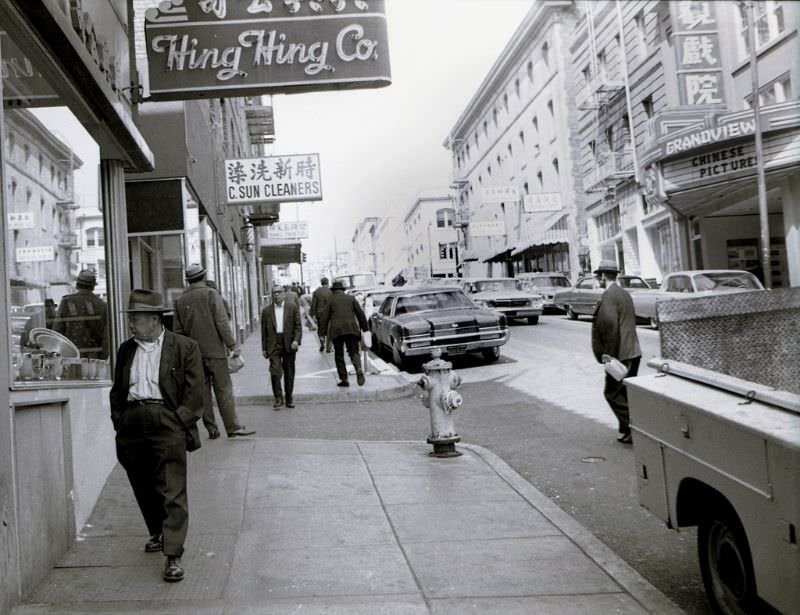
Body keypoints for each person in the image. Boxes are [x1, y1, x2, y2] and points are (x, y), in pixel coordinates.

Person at [109, 289, 204, 583]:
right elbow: (118, 389)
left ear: (153, 320)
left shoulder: (184, 346)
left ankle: (173, 554)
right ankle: (158, 531)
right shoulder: (127, 349)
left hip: (167, 419)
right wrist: (120, 420)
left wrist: (179, 421)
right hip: (132, 422)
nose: (131, 324)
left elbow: (195, 391)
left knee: (172, 487)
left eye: (135, 319)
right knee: (142, 483)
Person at [173, 264, 254, 439]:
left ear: (189, 280)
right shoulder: (211, 294)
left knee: (203, 393)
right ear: (203, 276)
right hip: (215, 351)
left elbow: (178, 332)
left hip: (194, 355)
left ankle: (212, 428)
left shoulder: (180, 300)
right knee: (224, 389)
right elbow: (221, 323)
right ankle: (232, 427)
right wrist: (233, 345)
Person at [591, 259, 642, 444]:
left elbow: (611, 328)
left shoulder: (609, 296)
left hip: (621, 355)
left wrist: (608, 355)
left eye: (599, 276)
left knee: (612, 393)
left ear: (604, 276)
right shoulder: (624, 294)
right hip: (633, 352)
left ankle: (636, 428)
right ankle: (627, 431)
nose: (598, 280)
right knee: (625, 393)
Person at [318, 280, 368, 387]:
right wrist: (365, 328)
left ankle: (344, 379)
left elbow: (324, 317)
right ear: (342, 290)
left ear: (333, 290)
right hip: (351, 329)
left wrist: (322, 332)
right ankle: (358, 368)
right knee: (353, 351)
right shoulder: (351, 298)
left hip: (337, 331)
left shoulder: (330, 299)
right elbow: (360, 314)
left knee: (339, 355)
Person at [261, 287, 302, 408]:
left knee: (289, 371)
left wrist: (296, 340)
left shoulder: (292, 308)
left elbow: (298, 326)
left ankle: (289, 398)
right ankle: (278, 398)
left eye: (279, 293)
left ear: (284, 294)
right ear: (271, 295)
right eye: (274, 293)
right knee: (275, 371)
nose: (277, 295)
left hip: (289, 342)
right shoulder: (267, 311)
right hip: (274, 344)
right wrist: (264, 348)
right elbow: (264, 332)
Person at [53, 269, 108, 359]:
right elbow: (106, 336)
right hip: (94, 356)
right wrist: (103, 356)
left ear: (77, 284)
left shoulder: (67, 302)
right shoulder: (102, 305)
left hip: (70, 355)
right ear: (93, 286)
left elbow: (57, 332)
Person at [309, 277, 332, 351]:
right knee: (329, 330)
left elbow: (313, 304)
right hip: (329, 313)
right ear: (327, 283)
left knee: (321, 330)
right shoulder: (331, 291)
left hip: (320, 314)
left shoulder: (316, 291)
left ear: (321, 283)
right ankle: (329, 347)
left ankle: (322, 343)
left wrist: (312, 315)